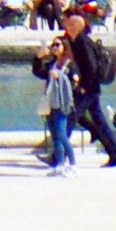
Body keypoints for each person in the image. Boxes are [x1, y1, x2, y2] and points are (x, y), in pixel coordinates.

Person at [60, 11, 116, 166]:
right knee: (99, 123)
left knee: (68, 120)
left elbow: (91, 67)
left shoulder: (83, 42)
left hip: (87, 91)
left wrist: (83, 87)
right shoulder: (78, 41)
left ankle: (58, 155)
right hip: (91, 90)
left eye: (69, 24)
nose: (66, 26)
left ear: (75, 26)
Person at [37, 36, 76, 176]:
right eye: (52, 45)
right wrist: (39, 58)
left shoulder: (70, 64)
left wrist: (60, 76)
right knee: (55, 136)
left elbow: (74, 83)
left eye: (57, 45)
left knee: (62, 134)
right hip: (51, 103)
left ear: (64, 46)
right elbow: (38, 73)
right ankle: (59, 164)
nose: (54, 47)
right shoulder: (51, 63)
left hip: (63, 103)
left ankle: (72, 164)